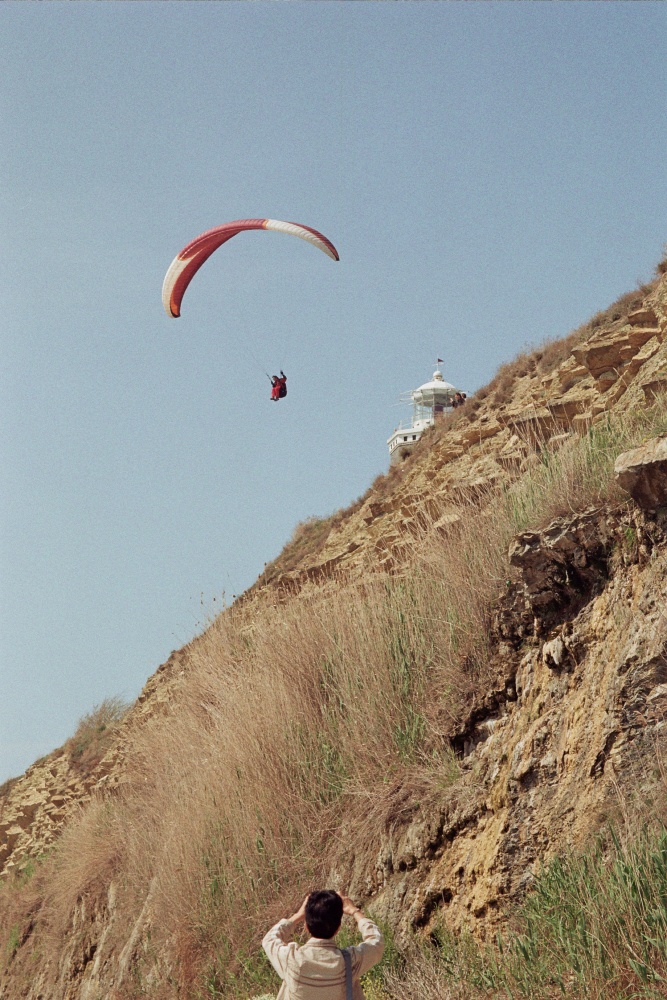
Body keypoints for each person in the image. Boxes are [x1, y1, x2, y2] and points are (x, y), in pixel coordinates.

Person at [262, 889, 384, 999]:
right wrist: (354, 911)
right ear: (338, 929)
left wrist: (298, 915)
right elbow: (376, 942)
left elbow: (269, 939)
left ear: (306, 927)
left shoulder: (291, 959)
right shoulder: (349, 962)